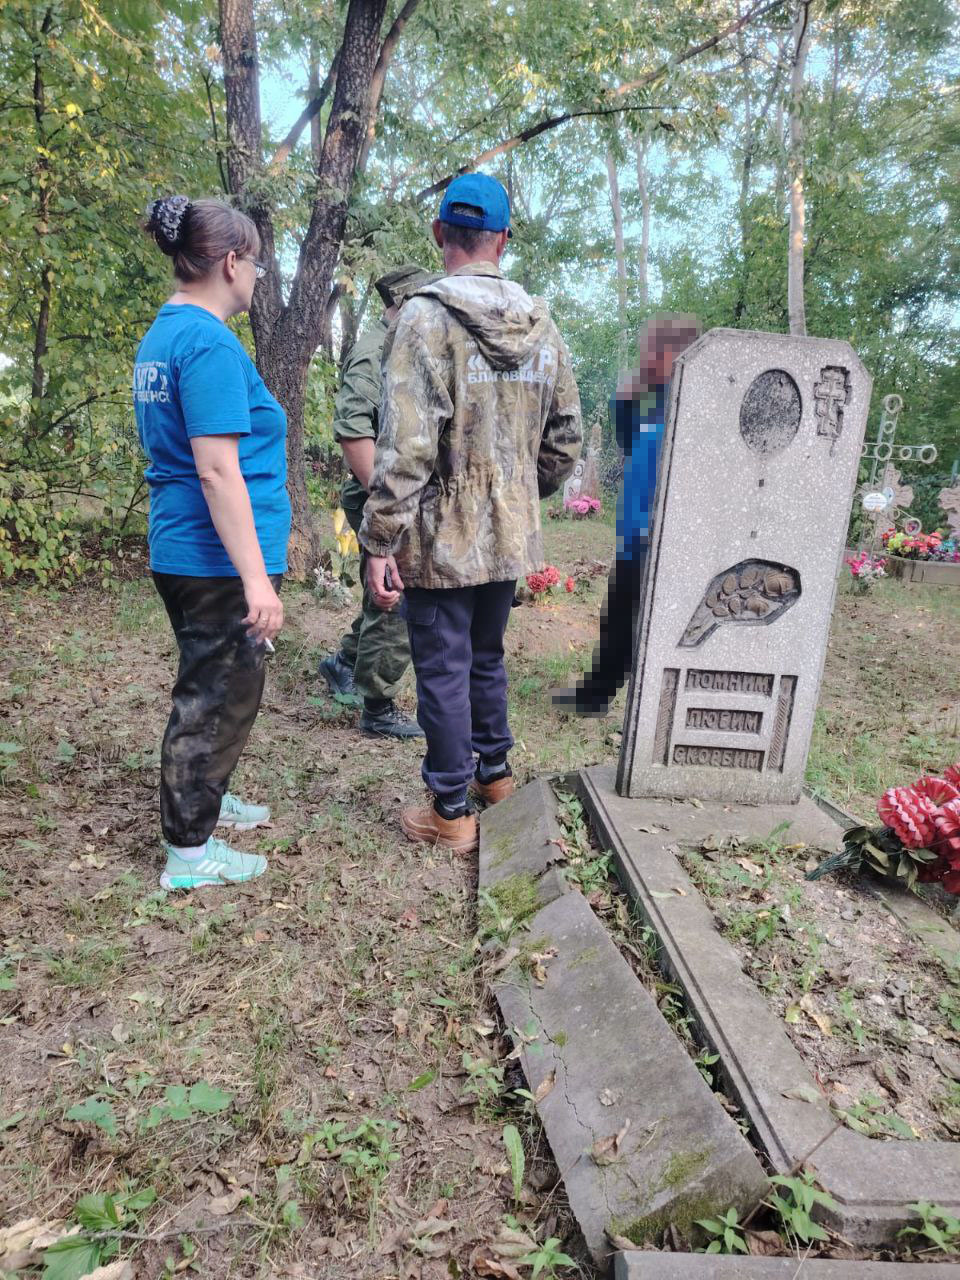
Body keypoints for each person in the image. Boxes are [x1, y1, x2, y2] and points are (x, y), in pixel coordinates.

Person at [358, 173, 582, 853]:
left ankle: (451, 810)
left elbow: (407, 450)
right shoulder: (544, 325)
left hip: (441, 537)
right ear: (503, 240)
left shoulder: (425, 318)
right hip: (509, 535)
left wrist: (379, 539)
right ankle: (495, 776)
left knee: (446, 669)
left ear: (438, 235)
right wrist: (513, 491)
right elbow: (566, 442)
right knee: (485, 658)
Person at [134, 195, 290, 890]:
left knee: (219, 685)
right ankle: (189, 854)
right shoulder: (208, 342)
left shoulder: (165, 334)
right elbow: (218, 467)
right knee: (214, 696)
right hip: (214, 556)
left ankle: (208, 795)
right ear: (231, 262)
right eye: (254, 263)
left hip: (186, 546)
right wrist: (256, 580)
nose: (257, 276)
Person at [553, 313, 701, 717]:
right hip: (634, 530)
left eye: (652, 351)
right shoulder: (650, 399)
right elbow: (626, 438)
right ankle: (597, 695)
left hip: (667, 536)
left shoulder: (694, 403)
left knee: (662, 624)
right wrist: (628, 394)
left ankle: (659, 704)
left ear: (675, 353)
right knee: (617, 615)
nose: (645, 358)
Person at [318, 265, 439, 739]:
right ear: (407, 302)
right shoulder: (376, 349)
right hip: (377, 490)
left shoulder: (405, 343)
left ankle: (345, 660)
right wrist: (389, 504)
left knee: (383, 584)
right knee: (397, 587)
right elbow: (352, 431)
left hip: (393, 488)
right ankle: (377, 705)